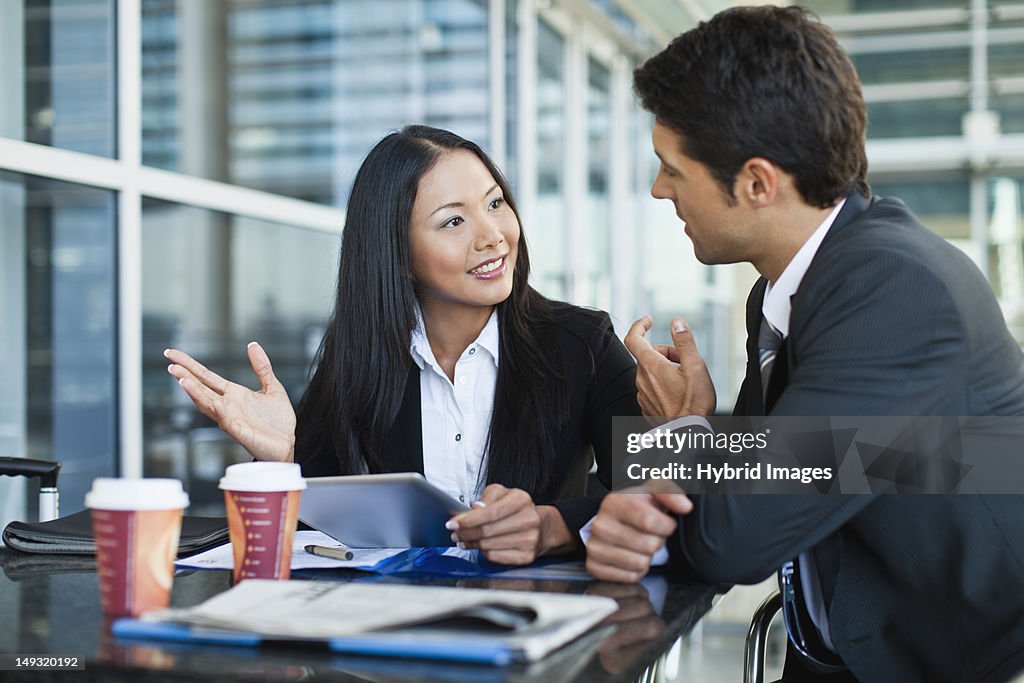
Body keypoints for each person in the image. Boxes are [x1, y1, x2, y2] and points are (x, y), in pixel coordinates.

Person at [583, 6, 1024, 683]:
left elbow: (735, 537)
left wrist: (688, 429)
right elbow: (772, 466)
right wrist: (567, 513)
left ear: (758, 182)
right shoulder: (794, 286)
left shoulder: (896, 293)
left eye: (673, 167)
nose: (657, 187)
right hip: (840, 648)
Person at [165, 125, 640, 566]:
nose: (493, 236)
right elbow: (321, 537)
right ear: (398, 253)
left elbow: (674, 488)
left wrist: (553, 526)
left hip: (540, 629)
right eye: (453, 222)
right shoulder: (361, 360)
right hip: (397, 632)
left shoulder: (584, 343)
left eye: (494, 204)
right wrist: (280, 460)